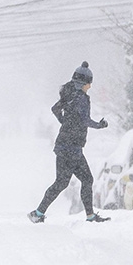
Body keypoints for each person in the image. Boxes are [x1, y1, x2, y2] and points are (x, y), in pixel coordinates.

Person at [29, 61, 110, 223]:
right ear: (83, 83)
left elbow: (55, 109)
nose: (90, 86)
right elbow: (84, 120)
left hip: (64, 145)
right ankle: (89, 216)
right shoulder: (81, 98)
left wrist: (65, 122)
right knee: (84, 180)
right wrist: (99, 125)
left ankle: (38, 214)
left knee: (62, 182)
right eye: (89, 83)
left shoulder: (69, 94)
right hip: (72, 147)